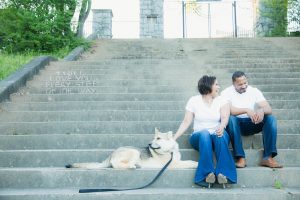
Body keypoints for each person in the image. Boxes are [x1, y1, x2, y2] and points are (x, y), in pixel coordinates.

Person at [173, 75, 237, 188]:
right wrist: (174, 138)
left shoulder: (222, 100)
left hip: (217, 135)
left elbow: (225, 118)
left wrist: (222, 126)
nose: (219, 87)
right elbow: (186, 121)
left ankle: (224, 174)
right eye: (216, 84)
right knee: (204, 133)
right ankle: (206, 174)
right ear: (208, 86)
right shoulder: (194, 100)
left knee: (220, 136)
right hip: (199, 138)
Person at [221, 71, 282, 168]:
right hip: (236, 125)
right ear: (233, 84)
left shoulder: (254, 91)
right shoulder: (226, 92)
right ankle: (240, 158)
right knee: (231, 119)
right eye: (240, 84)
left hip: (253, 121)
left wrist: (261, 110)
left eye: (245, 83)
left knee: (270, 118)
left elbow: (268, 109)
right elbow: (230, 110)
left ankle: (268, 157)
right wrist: (246, 110)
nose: (244, 86)